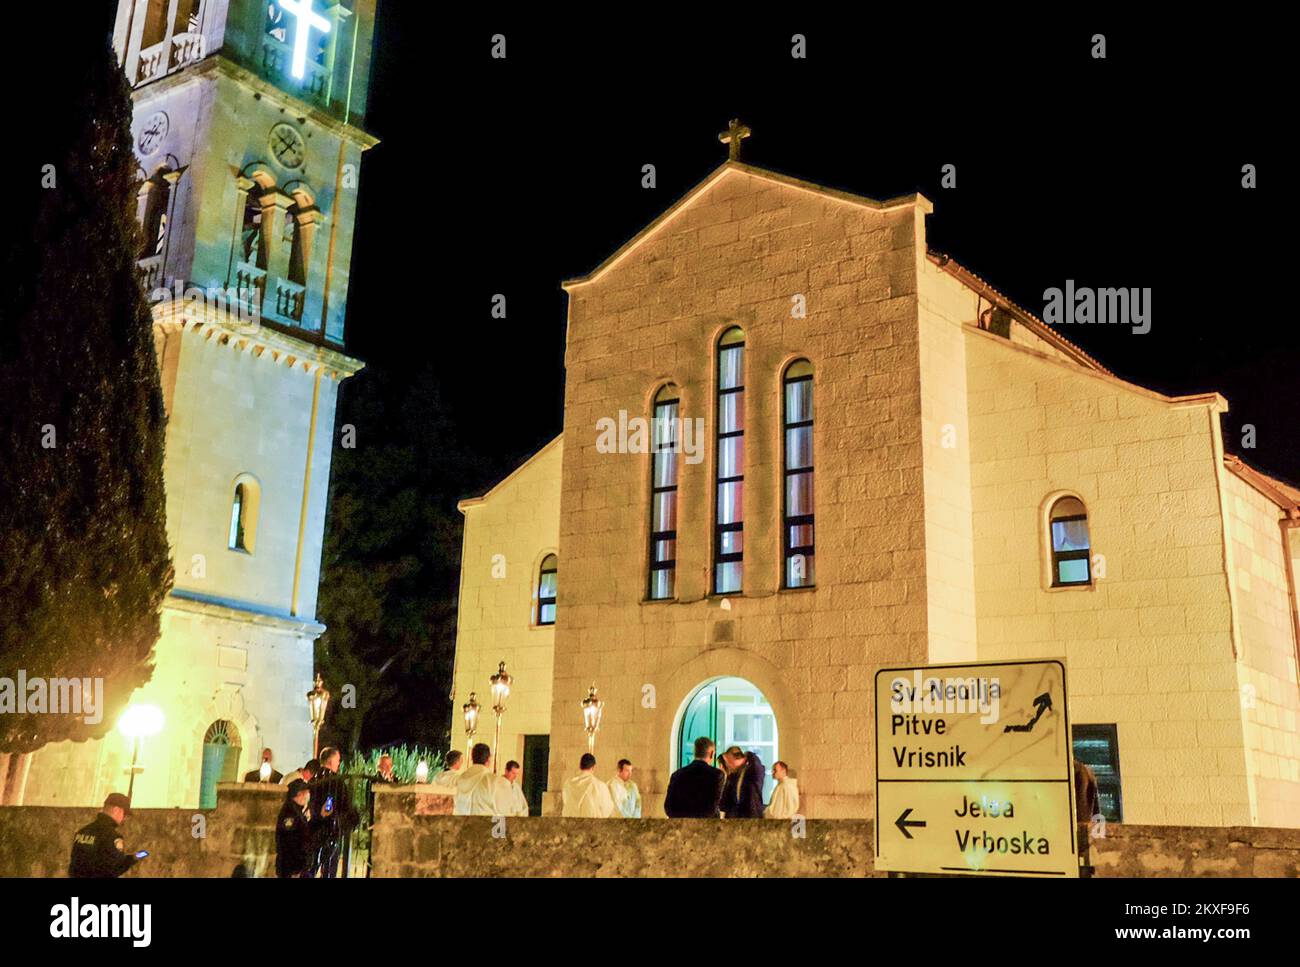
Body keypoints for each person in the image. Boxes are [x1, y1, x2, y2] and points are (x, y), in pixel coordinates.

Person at [69, 793, 146, 878]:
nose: (123, 818)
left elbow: (74, 865)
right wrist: (132, 858)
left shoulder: (82, 832)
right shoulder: (112, 836)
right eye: (124, 814)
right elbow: (115, 868)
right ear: (116, 810)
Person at [307, 747, 356, 878]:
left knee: (311, 867)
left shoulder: (312, 781)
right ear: (330, 761)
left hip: (313, 829)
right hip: (332, 831)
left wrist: (318, 813)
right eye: (337, 760)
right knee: (329, 870)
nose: (339, 763)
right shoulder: (337, 782)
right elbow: (346, 806)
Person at [664, 737, 725, 818]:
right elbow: (713, 807)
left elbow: (668, 807)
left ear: (694, 752)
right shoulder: (717, 775)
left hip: (681, 826)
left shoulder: (677, 775)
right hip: (707, 826)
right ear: (712, 754)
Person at [275, 780, 314, 878]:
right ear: (300, 794)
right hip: (291, 868)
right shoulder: (290, 813)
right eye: (307, 792)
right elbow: (289, 841)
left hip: (294, 867)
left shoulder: (296, 810)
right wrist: (296, 868)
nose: (308, 795)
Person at [562, 753, 616, 817]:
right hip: (591, 824)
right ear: (593, 767)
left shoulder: (568, 784)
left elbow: (566, 801)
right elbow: (607, 809)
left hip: (570, 823)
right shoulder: (600, 786)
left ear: (580, 765)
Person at [454, 743, 501, 816]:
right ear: (489, 759)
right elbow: (501, 809)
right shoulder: (492, 780)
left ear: (472, 758)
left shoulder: (461, 778)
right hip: (485, 824)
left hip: (463, 823)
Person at [719, 746, 765, 818]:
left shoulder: (751, 772)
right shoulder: (733, 777)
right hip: (737, 819)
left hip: (752, 816)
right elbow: (724, 803)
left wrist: (746, 755)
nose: (728, 765)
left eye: (729, 761)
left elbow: (756, 763)